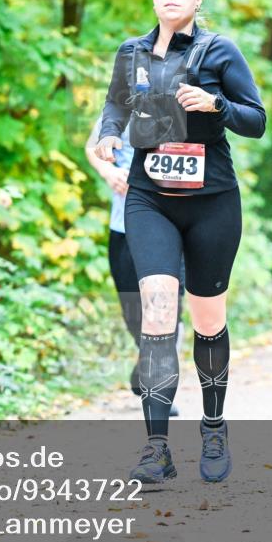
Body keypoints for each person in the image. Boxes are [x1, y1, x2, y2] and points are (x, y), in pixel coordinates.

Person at [93, 0, 266, 484]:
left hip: (212, 199)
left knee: (207, 319)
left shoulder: (220, 51)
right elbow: (114, 107)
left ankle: (213, 427)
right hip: (150, 199)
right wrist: (107, 135)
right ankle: (156, 448)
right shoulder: (132, 52)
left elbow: (256, 120)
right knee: (158, 311)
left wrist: (216, 104)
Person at [84, 115, 180, 417]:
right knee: (133, 310)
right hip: (125, 226)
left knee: (168, 309)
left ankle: (158, 389)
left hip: (175, 225)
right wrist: (108, 171)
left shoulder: (186, 101)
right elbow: (92, 146)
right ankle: (144, 362)